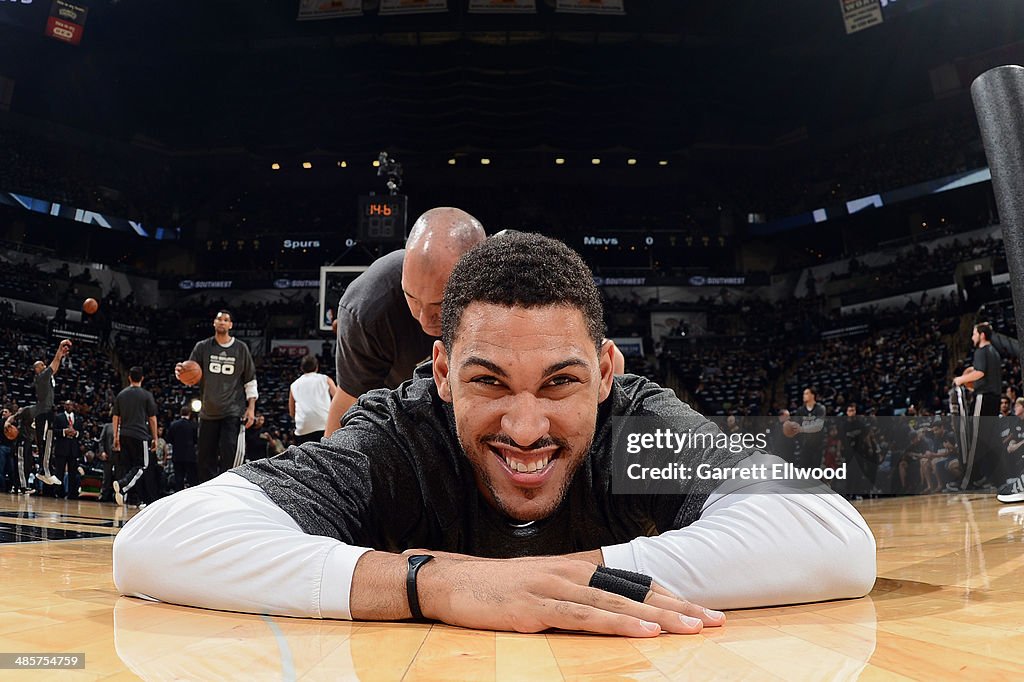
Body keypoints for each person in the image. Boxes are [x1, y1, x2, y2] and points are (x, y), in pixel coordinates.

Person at [114, 232, 875, 637]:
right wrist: (437, 586)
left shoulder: (634, 425)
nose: (525, 427)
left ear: (608, 372)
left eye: (560, 381)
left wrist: (570, 576)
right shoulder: (398, 434)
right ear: (440, 373)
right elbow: (155, 543)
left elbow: (833, 533)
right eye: (487, 382)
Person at [324, 207, 487, 436]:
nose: (423, 318)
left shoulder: (507, 297)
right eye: (412, 298)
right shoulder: (368, 309)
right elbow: (349, 400)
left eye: (439, 305)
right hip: (407, 417)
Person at [175, 310, 258, 482]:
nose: (222, 322)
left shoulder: (241, 348)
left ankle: (229, 492)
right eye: (219, 319)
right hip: (208, 411)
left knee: (230, 456)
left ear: (230, 325)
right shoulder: (202, 347)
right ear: (214, 323)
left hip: (233, 411)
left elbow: (250, 380)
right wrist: (180, 372)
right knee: (204, 459)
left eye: (226, 320)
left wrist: (251, 409)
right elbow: (189, 374)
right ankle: (208, 496)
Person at [953, 322, 1002, 488]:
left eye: (974, 334)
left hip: (984, 398)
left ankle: (967, 482)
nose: (972, 337)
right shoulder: (994, 352)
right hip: (995, 399)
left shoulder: (981, 351)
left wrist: (960, 379)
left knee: (975, 440)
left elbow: (980, 373)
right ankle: (992, 478)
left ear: (981, 335)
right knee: (989, 441)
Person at [112, 367, 160, 507]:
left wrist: (116, 436)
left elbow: (115, 417)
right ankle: (122, 486)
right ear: (142, 378)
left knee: (130, 467)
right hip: (140, 435)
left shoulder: (121, 394)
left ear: (129, 378)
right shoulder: (146, 395)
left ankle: (131, 498)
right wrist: (155, 437)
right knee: (142, 465)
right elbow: (152, 418)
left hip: (124, 434)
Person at [31, 339, 73, 486]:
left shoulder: (47, 379)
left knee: (46, 442)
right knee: (45, 443)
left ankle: (44, 470)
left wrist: (60, 355)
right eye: (41, 365)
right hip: (43, 412)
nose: (44, 365)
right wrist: (60, 351)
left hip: (46, 412)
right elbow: (54, 364)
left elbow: (54, 367)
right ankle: (44, 471)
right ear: (37, 369)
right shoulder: (41, 377)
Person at [289, 355, 338, 444]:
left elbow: (292, 412)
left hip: (303, 428)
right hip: (324, 424)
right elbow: (337, 398)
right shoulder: (325, 379)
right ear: (317, 367)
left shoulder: (294, 385)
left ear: (301, 368)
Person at [785, 387, 826, 469]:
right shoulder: (800, 410)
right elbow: (796, 425)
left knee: (815, 472)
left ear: (813, 395)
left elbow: (818, 426)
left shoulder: (820, 408)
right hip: (805, 445)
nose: (804, 395)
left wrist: (802, 429)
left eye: (807, 393)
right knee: (803, 471)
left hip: (817, 446)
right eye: (803, 394)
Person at [48, 400, 81, 498]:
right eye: (67, 405)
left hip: (73, 449)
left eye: (71, 405)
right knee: (59, 472)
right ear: (64, 406)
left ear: (73, 407)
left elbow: (81, 433)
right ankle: (58, 492)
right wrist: (64, 432)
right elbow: (53, 431)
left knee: (73, 473)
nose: (69, 406)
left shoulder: (78, 418)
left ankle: (72, 493)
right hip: (61, 448)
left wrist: (76, 433)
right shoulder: (58, 417)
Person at [165, 406, 198, 491]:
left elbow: (169, 439)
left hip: (177, 455)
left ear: (180, 413)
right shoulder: (193, 425)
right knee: (192, 479)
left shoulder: (173, 425)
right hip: (190, 456)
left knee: (178, 479)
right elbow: (196, 440)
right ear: (189, 414)